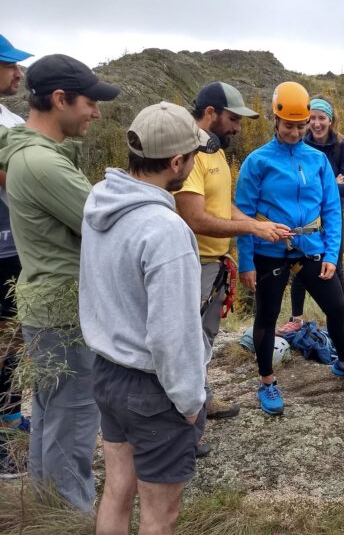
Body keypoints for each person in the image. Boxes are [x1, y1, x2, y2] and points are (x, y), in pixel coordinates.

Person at [80, 102, 210, 535]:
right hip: (151, 389)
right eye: (193, 156)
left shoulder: (100, 202)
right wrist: (190, 401)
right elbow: (173, 335)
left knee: (117, 489)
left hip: (107, 371)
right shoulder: (166, 230)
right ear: (177, 163)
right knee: (160, 516)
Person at [0, 54, 118, 510]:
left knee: (51, 416)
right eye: (90, 102)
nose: (96, 112)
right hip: (66, 311)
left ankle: (47, 509)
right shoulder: (44, 166)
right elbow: (105, 227)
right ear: (60, 99)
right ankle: (73, 516)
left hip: (46, 307)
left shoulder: (30, 155)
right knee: (72, 421)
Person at [236, 81, 344, 417]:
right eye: (289, 126)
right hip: (269, 249)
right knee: (267, 317)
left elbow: (331, 209)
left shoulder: (317, 160)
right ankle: (267, 381)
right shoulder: (258, 161)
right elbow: (241, 213)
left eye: (301, 126)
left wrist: (330, 254)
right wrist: (245, 262)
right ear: (275, 120)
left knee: (337, 305)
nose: (296, 133)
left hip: (311, 246)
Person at [175, 82, 289, 441]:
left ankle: (200, 400)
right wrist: (252, 229)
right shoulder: (189, 154)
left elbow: (222, 208)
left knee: (204, 338)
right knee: (184, 342)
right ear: (210, 113)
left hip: (213, 263)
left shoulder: (215, 151)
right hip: (191, 263)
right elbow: (195, 217)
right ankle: (181, 426)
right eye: (232, 118)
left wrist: (255, 224)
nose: (237, 127)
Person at [283, 95, 344, 330]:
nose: (316, 123)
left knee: (335, 265)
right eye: (312, 118)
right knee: (299, 266)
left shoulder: (342, 147)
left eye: (321, 118)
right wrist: (331, 183)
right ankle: (296, 318)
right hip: (304, 216)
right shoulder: (300, 144)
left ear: (330, 120)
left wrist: (323, 186)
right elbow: (294, 183)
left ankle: (338, 317)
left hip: (332, 216)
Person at [0, 34, 33, 479]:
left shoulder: (10, 118)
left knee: (13, 339)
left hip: (15, 245)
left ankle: (8, 415)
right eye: (10, 65)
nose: (19, 74)